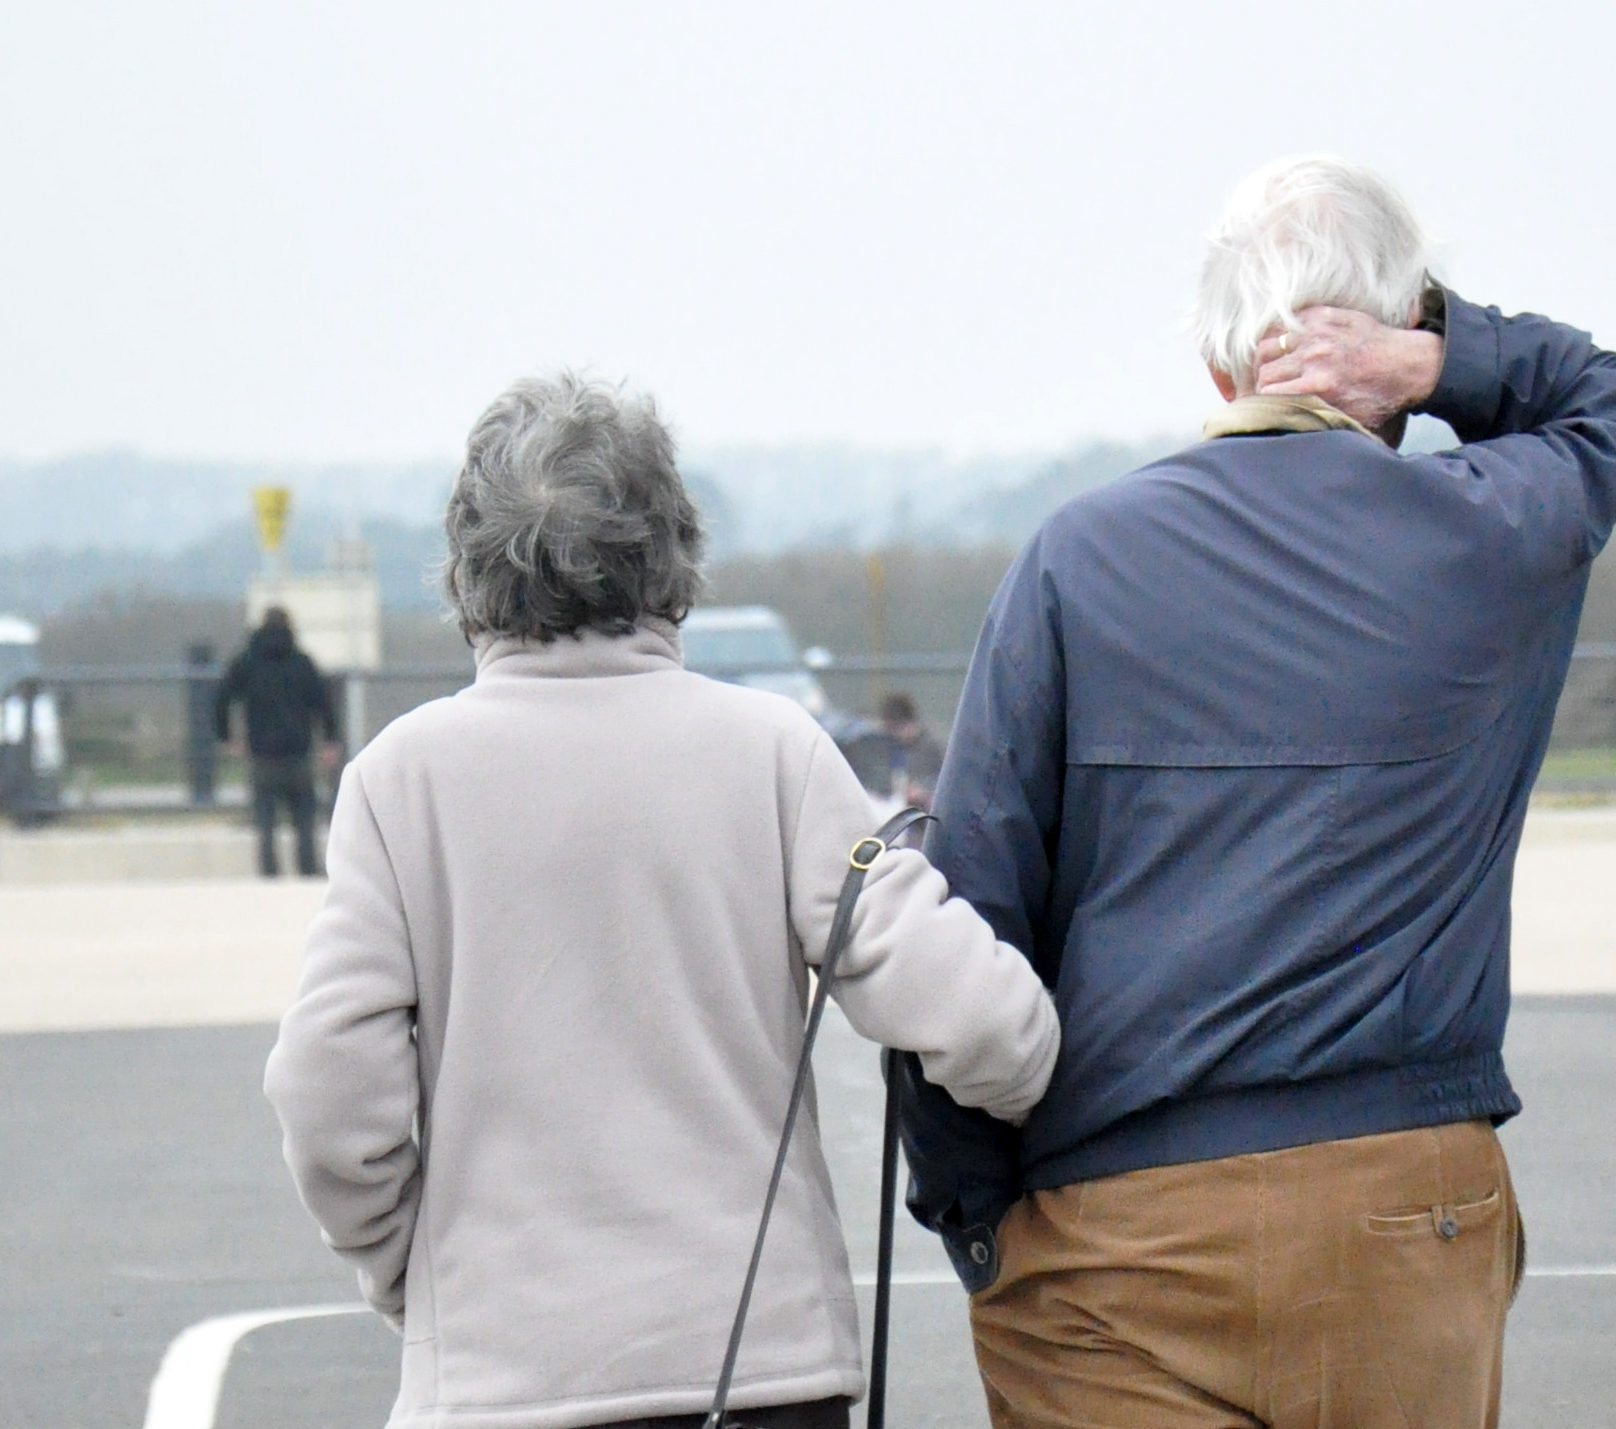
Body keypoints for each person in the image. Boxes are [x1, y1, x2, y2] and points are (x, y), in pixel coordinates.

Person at [898, 154, 1616, 1429]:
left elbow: (972, 910)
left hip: (1117, 1225)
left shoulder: (1077, 558)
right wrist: (1437, 357)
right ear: (1388, 341)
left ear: (1221, 365)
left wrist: (975, 1217)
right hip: (1407, 1200)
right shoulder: (1491, 530)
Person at [263, 375, 1060, 1429]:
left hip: (505, 1380)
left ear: (467, 565)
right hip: (761, 1369)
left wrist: (409, 1271)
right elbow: (992, 1026)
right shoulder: (774, 752)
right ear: (674, 548)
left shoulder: (397, 781)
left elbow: (327, 1090)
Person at [215, 606, 339, 877]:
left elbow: (221, 698)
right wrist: (330, 740)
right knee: (305, 819)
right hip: (298, 753)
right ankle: (307, 870)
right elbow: (325, 704)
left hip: (261, 755)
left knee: (265, 821)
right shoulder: (302, 663)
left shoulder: (246, 662)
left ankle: (269, 873)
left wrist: (227, 737)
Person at [880, 690, 946, 808]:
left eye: (897, 729)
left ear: (909, 723)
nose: (896, 736)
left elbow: (946, 779)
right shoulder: (895, 746)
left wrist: (923, 792)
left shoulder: (933, 744)